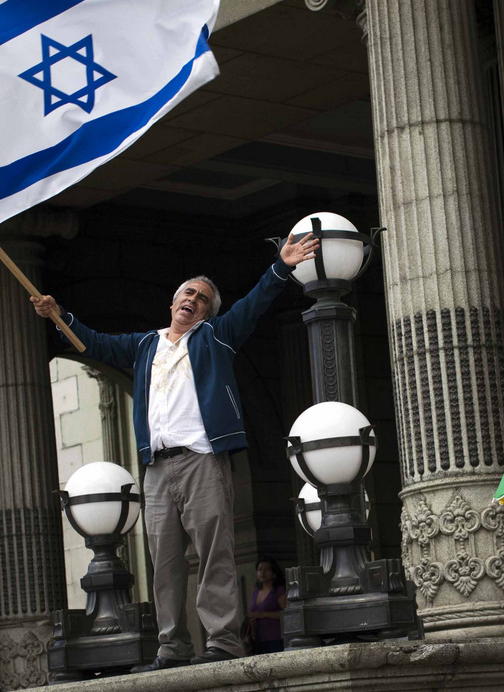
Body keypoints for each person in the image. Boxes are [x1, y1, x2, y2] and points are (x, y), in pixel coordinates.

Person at [33, 234, 320, 669]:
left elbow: (254, 303)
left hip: (202, 458)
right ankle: (172, 646)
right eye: (188, 293)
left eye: (203, 298)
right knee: (163, 562)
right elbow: (92, 343)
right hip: (158, 468)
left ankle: (222, 639)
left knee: (214, 554)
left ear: (207, 312)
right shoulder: (145, 345)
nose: (194, 299)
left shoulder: (216, 336)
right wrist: (59, 316)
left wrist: (280, 267)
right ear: (172, 303)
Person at [246, 556, 288, 654]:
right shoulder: (256, 592)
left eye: (266, 569)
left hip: (276, 638)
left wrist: (263, 615)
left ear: (274, 573)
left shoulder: (279, 591)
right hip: (258, 639)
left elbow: (286, 614)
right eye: (260, 570)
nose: (262, 573)